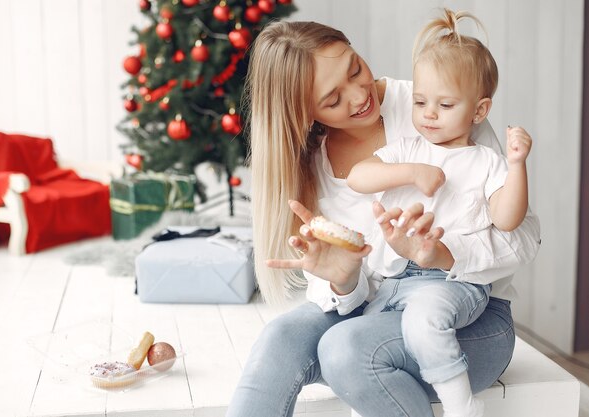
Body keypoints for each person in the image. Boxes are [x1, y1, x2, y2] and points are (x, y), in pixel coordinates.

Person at [227, 17, 540, 417]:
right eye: (332, 100)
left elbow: (526, 235)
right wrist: (344, 279)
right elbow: (349, 298)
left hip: (463, 322)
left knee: (344, 348)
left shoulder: (435, 102)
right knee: (279, 340)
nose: (359, 96)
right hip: (375, 309)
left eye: (355, 69)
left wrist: (444, 252)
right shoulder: (306, 160)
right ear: (304, 113)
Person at [346, 9, 533, 417]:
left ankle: (462, 406)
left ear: (479, 112)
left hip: (452, 282)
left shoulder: (485, 162)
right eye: (419, 101)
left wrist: (517, 166)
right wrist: (410, 172)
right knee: (355, 339)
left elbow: (507, 219)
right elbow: (358, 176)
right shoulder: (409, 149)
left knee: (424, 321)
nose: (428, 113)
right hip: (395, 280)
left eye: (445, 104)